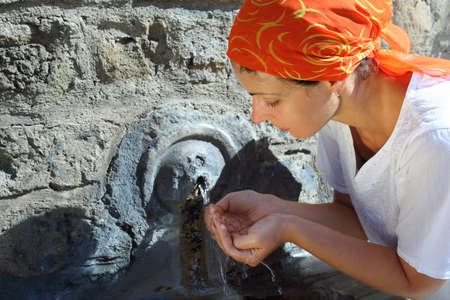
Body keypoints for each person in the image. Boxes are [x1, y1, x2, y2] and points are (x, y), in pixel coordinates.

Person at [203, 0, 450, 299]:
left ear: (331, 79)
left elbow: (419, 282)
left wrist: (289, 228)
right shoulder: (339, 111)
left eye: (272, 100)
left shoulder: (434, 140)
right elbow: (357, 219)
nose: (257, 116)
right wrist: (273, 208)